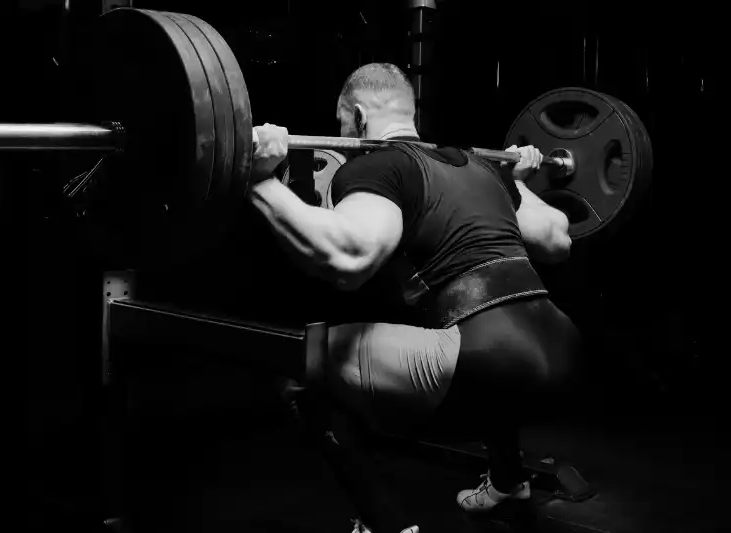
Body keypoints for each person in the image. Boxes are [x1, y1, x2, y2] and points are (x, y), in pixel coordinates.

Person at [247, 63, 582, 532]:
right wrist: (521, 180)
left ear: (359, 118)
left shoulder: (379, 166)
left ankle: (384, 525)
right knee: (487, 351)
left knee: (299, 369)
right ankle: (509, 480)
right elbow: (557, 239)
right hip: (563, 349)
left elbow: (350, 257)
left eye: (343, 125)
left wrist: (258, 179)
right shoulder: (480, 165)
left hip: (488, 361)